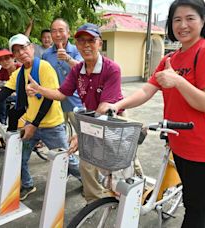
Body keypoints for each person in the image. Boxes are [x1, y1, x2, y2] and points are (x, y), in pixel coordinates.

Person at [101, 0, 205, 227]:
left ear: (203, 21)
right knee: (192, 200)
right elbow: (146, 90)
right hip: (179, 140)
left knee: (196, 210)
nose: (183, 25)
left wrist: (178, 81)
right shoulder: (170, 59)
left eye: (190, 18)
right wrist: (117, 105)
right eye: (177, 19)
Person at [26, 23, 143, 203]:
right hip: (92, 119)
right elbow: (60, 94)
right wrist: (39, 89)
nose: (86, 45)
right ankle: (94, 201)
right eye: (81, 41)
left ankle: (138, 189)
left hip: (113, 121)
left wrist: (83, 134)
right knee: (86, 163)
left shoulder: (112, 69)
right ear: (77, 44)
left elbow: (104, 108)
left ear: (99, 43)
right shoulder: (77, 70)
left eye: (91, 40)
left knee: (124, 160)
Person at [0, 33, 82, 200]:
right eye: (16, 51)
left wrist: (33, 124)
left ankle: (91, 182)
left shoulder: (44, 67)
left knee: (67, 160)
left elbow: (49, 99)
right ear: (15, 55)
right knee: (19, 157)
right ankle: (27, 185)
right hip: (31, 125)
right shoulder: (19, 74)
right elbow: (2, 94)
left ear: (31, 47)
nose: (21, 52)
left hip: (51, 125)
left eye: (23, 48)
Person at [42, 18, 83, 125]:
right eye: (54, 31)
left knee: (83, 136)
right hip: (55, 103)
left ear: (68, 33)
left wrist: (67, 58)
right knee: (58, 137)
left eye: (61, 30)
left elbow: (83, 68)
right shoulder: (46, 54)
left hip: (76, 102)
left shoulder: (77, 50)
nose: (57, 34)